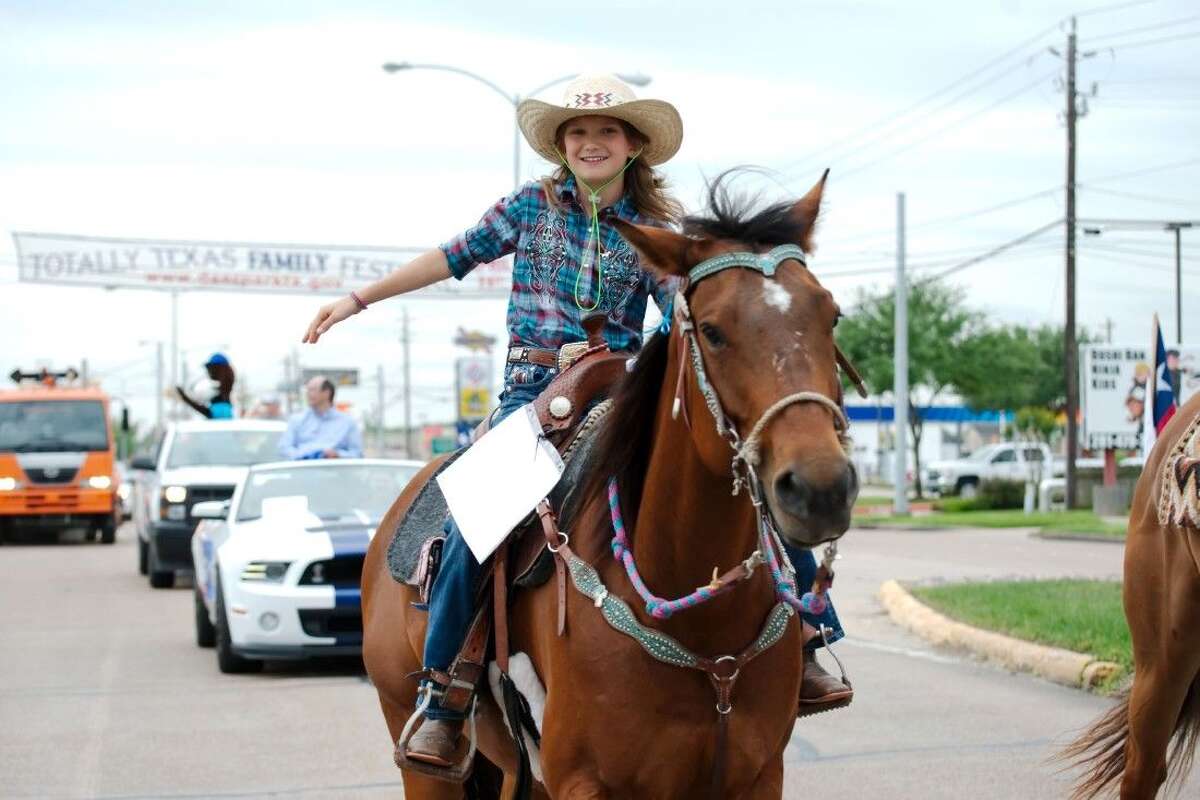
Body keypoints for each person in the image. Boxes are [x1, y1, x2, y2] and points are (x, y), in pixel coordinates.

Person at [302, 73, 850, 769]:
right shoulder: (529, 207)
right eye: (578, 132)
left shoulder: (659, 231)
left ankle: (806, 637)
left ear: (633, 147)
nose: (592, 142)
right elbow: (453, 254)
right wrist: (360, 298)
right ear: (561, 146)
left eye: (607, 131)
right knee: (478, 517)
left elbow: (684, 309)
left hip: (621, 394)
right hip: (532, 395)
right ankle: (446, 691)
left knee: (748, 484)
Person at [278, 376, 363, 459]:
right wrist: (304, 456)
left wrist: (338, 455)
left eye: (312, 390)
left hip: (335, 470)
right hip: (304, 471)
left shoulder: (347, 422)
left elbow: (357, 453)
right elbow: (284, 448)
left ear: (326, 393)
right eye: (307, 390)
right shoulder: (296, 420)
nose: (308, 394)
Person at [176, 353, 235, 419]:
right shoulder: (217, 391)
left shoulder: (221, 397)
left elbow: (205, 411)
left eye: (211, 368)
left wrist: (184, 397)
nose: (209, 372)